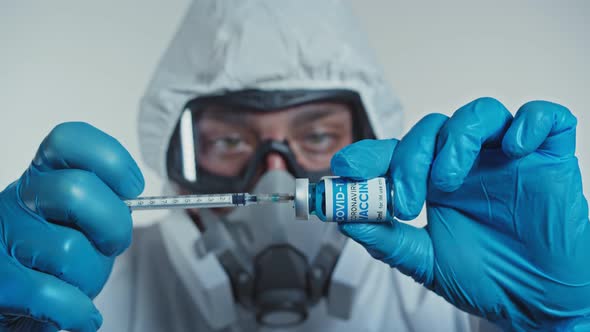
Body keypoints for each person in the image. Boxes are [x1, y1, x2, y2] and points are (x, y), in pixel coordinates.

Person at [1, 0, 589, 331]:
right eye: (231, 142)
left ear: (371, 136)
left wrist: (567, 322)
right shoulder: (87, 287)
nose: (276, 176)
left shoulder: (456, 302)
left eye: (316, 135)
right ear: (177, 158)